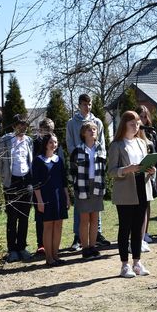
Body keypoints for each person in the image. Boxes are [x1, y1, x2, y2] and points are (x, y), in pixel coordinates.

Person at [107, 111, 155, 278]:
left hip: (142, 188)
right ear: (124, 125)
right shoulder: (117, 145)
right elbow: (111, 172)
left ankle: (137, 262)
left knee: (137, 228)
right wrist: (127, 169)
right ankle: (124, 265)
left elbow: (144, 165)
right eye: (132, 124)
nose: (136, 126)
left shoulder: (142, 143)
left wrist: (151, 171)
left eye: (137, 123)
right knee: (125, 228)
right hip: (125, 192)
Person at [66, 94, 110, 251]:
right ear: (79, 105)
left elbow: (103, 146)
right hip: (82, 177)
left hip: (96, 179)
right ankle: (79, 240)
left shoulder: (97, 121)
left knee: (95, 215)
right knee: (83, 215)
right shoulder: (72, 123)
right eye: (84, 104)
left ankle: (95, 239)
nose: (87, 107)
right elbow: (70, 145)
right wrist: (80, 158)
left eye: (89, 104)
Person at [0, 114, 33, 262]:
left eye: (25, 125)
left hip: (26, 181)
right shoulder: (5, 140)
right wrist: (3, 179)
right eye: (20, 125)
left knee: (24, 216)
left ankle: (22, 247)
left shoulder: (29, 141)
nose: (23, 128)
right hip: (11, 182)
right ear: (14, 126)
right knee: (12, 217)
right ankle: (12, 250)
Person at [32, 133, 70, 267]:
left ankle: (56, 255)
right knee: (48, 227)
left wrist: (67, 197)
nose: (54, 145)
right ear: (45, 144)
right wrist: (39, 201)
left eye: (55, 142)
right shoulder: (38, 160)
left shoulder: (59, 160)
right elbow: (35, 183)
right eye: (51, 142)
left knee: (58, 225)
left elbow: (64, 181)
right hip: (45, 198)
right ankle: (49, 258)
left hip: (59, 196)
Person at [69, 122, 106, 260]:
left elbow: (104, 169)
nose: (92, 132)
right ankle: (85, 248)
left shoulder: (100, 148)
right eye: (89, 130)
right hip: (82, 185)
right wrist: (76, 186)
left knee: (95, 218)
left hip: (97, 185)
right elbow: (72, 170)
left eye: (95, 129)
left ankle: (93, 247)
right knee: (84, 219)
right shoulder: (77, 150)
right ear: (83, 133)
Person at [32, 117, 63, 255]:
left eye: (50, 130)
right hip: (41, 187)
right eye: (45, 130)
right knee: (41, 217)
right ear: (40, 130)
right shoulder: (35, 144)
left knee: (55, 220)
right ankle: (41, 244)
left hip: (54, 189)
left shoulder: (56, 144)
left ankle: (53, 249)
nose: (48, 132)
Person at [136, 105, 157, 250]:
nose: (144, 119)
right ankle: (138, 234)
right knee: (139, 204)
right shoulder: (135, 133)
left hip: (150, 172)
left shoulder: (150, 133)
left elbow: (155, 151)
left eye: (146, 116)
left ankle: (145, 232)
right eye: (141, 117)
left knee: (148, 202)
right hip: (138, 173)